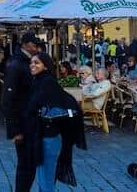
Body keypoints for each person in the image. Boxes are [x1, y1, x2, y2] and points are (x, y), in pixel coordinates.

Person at [24, 51, 87, 191]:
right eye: (31, 62)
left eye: (36, 62)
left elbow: (34, 106)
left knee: (46, 180)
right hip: (43, 135)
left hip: (49, 137)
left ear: (46, 66)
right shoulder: (39, 81)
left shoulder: (47, 82)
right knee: (44, 178)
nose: (32, 65)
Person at [3, 32, 42, 192]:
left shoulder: (29, 62)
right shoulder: (16, 64)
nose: (37, 47)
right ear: (25, 44)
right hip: (22, 123)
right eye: (34, 44)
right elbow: (8, 99)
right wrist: (15, 130)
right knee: (25, 164)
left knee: (30, 162)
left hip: (32, 121)